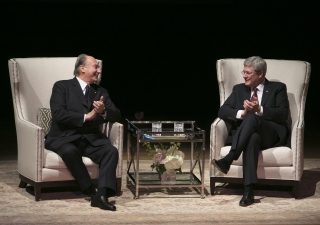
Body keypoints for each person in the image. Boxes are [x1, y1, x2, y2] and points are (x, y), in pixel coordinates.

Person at [45, 54, 121, 211]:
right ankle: (90, 189)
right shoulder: (62, 86)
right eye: (95, 67)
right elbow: (58, 113)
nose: (98, 71)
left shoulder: (100, 91)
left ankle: (101, 194)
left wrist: (103, 111)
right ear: (82, 68)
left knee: (110, 151)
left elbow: (117, 114)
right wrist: (87, 116)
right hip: (65, 137)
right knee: (70, 150)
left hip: (90, 139)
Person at [211, 56, 290, 206]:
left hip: (270, 134)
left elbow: (282, 114)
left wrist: (259, 109)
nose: (244, 76)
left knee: (254, 117)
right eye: (243, 72)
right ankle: (248, 191)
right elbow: (223, 111)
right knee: (252, 137)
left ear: (260, 74)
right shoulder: (239, 89)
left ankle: (230, 157)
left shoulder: (277, 88)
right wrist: (243, 113)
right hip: (249, 135)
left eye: (248, 73)